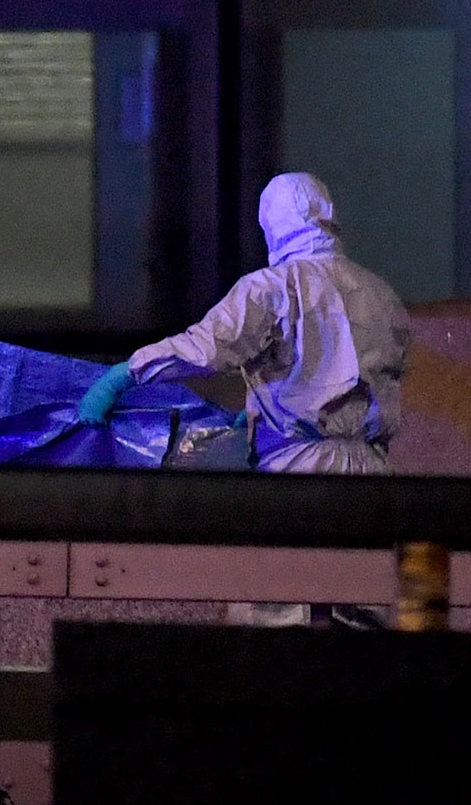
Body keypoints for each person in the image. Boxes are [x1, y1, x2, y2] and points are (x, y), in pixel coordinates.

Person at [77, 171, 408, 627]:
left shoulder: (273, 287)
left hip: (297, 475)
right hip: (372, 476)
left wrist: (127, 373)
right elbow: (354, 379)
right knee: (358, 612)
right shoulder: (381, 294)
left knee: (276, 616)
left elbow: (206, 347)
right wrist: (263, 414)